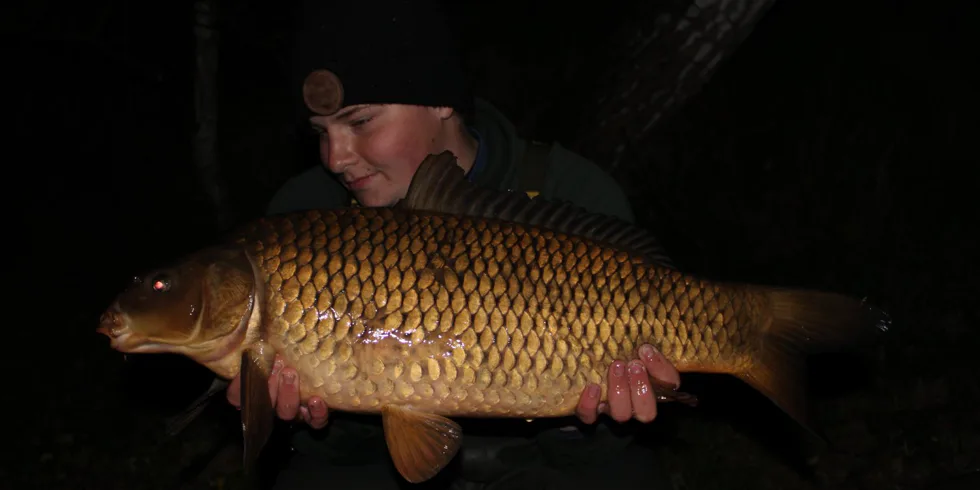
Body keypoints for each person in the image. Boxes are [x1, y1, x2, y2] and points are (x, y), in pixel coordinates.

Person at [225, 0, 683, 488]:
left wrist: (585, 422)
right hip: (379, 459)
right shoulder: (305, 215)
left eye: (360, 123)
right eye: (321, 132)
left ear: (441, 100)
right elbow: (336, 456)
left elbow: (599, 454)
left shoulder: (571, 191)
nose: (336, 158)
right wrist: (311, 420)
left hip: (543, 459)